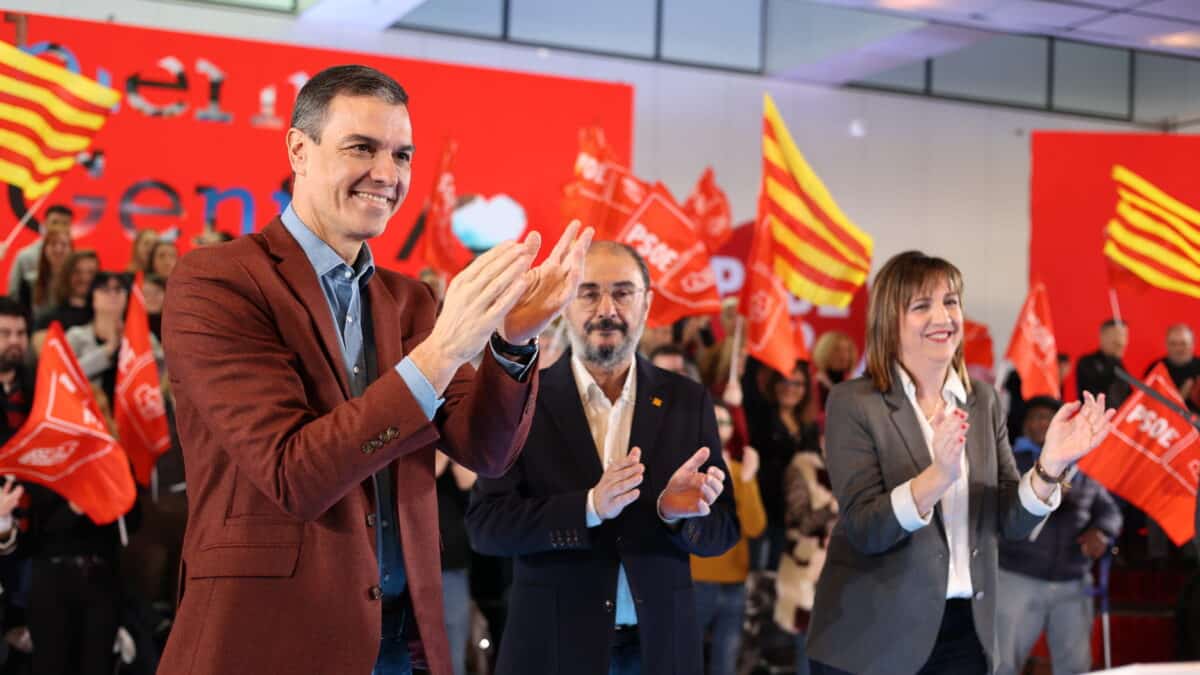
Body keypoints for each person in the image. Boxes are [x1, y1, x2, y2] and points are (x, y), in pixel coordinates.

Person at [157, 64, 591, 675]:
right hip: (267, 640)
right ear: (299, 151)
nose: (387, 175)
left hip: (402, 646)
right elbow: (293, 473)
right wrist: (441, 354)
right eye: (362, 148)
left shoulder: (408, 299)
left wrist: (514, 343)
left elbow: (485, 452)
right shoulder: (217, 282)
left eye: (402, 154)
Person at [806, 250, 1113, 675]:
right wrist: (936, 478)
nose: (943, 316)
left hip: (966, 635)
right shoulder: (853, 402)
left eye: (950, 301)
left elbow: (1011, 521)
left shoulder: (982, 400)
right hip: (873, 641)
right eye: (922, 305)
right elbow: (864, 528)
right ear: (888, 321)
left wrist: (1051, 466)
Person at [465, 241, 739, 675]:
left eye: (623, 292)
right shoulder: (524, 400)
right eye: (589, 292)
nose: (606, 308)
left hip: (660, 650)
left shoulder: (689, 401)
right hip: (554, 649)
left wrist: (677, 516)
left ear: (646, 305)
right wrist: (587, 508)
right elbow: (487, 529)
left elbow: (724, 530)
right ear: (565, 304)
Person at [995, 396, 1122, 675]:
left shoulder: (1082, 470)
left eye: (1048, 417)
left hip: (1072, 581)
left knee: (1075, 666)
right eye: (1035, 417)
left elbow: (1110, 512)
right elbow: (998, 509)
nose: (1041, 422)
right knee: (1002, 663)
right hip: (1018, 576)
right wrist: (1040, 489)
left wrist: (1102, 532)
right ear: (1025, 426)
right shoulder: (1010, 462)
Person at [691, 402, 765, 675]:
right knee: (688, 657)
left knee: (727, 660)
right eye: (715, 421)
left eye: (726, 422)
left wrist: (746, 480)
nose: (720, 428)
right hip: (696, 579)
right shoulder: (691, 471)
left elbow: (756, 527)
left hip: (734, 580)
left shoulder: (739, 469)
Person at [745, 360, 819, 570]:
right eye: (784, 380)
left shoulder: (809, 427)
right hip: (764, 507)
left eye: (798, 383)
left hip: (796, 515)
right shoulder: (759, 416)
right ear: (774, 383)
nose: (790, 388)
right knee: (760, 575)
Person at [6, 205, 72, 302]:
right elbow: (14, 293)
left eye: (65, 223)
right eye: (55, 222)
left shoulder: (75, 257)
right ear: (45, 224)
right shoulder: (25, 256)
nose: (59, 227)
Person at [35, 250, 99, 333]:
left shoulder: (106, 318)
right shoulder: (48, 319)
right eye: (77, 272)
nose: (85, 278)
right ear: (66, 275)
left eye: (91, 272)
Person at [1075, 318, 1131, 409]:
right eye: (1115, 336)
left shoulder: (1122, 368)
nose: (1121, 342)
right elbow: (1093, 393)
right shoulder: (1088, 362)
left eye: (1125, 336)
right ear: (1102, 336)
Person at [1144, 324, 1200, 411]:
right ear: (1166, 344)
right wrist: (1180, 397)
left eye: (1183, 343)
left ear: (1192, 344)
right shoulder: (1155, 369)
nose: (1178, 348)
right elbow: (1146, 402)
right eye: (1173, 344)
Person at [23, 225, 72, 317]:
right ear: (44, 249)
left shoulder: (78, 283)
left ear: (71, 249)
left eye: (64, 245)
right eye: (53, 244)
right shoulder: (29, 281)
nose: (58, 249)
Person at [811, 330, 858, 412]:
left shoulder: (856, 385)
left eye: (848, 350)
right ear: (824, 352)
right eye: (837, 350)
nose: (844, 356)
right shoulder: (815, 386)